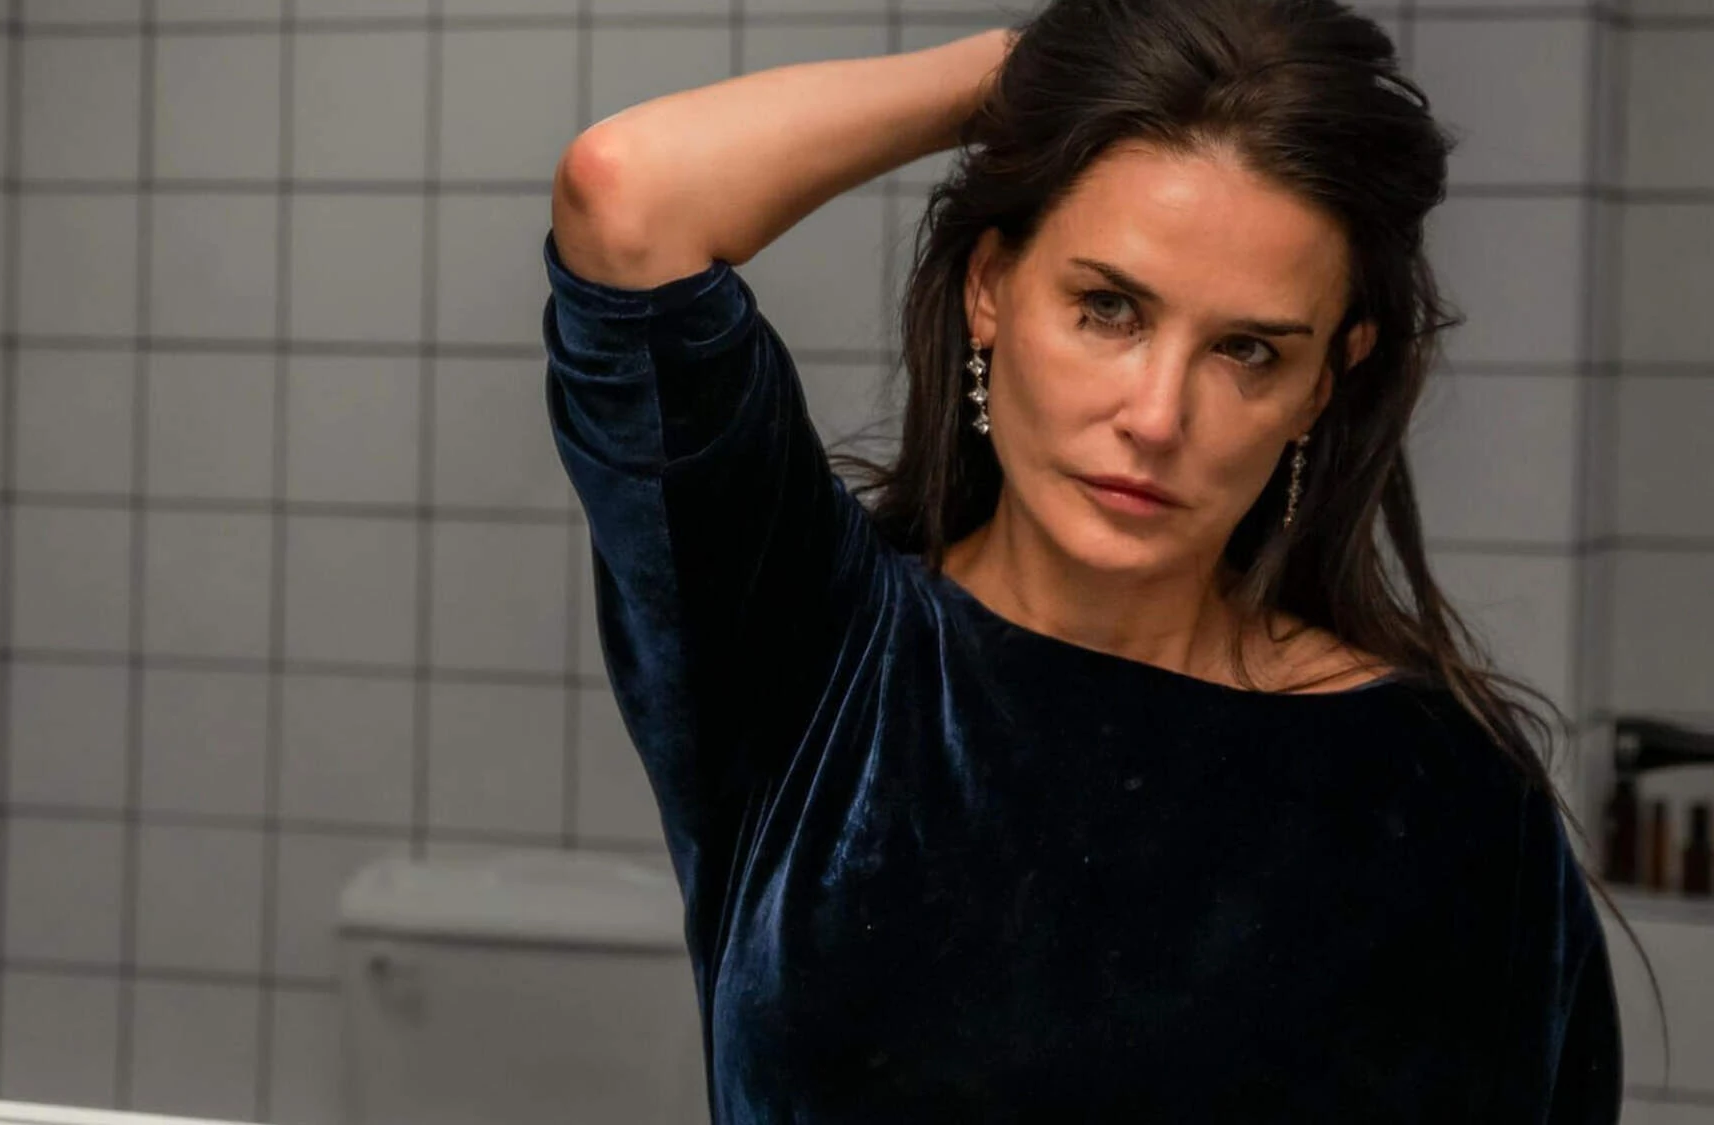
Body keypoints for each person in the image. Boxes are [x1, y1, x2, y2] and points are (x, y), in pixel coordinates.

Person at [540, 0, 1634, 1120]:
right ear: (989, 289)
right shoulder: (811, 651)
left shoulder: (1441, 796)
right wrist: (1044, 68)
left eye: (1245, 349)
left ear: (1322, 383)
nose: (1156, 417)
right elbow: (628, 197)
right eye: (1108, 308)